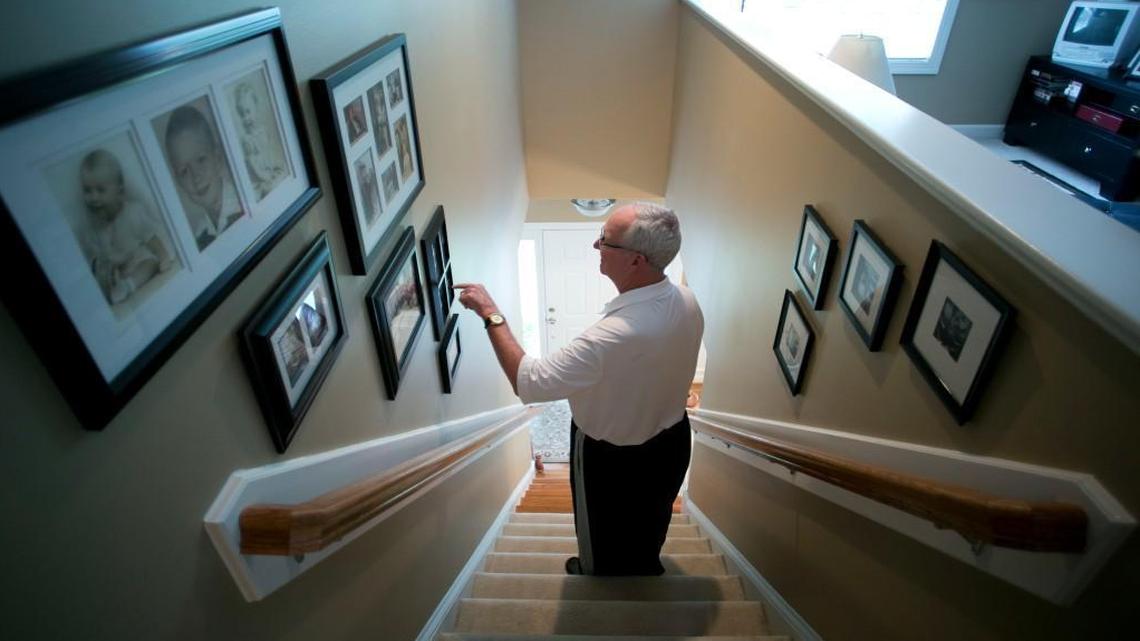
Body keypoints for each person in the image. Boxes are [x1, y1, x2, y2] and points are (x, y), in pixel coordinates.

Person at [455, 202, 703, 576]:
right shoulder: (686, 299)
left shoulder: (612, 336)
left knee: (601, 536)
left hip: (610, 457)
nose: (595, 246)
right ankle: (644, 565)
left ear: (636, 260)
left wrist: (492, 314)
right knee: (653, 518)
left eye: (605, 240)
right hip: (671, 441)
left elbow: (530, 382)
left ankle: (600, 573)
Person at [78, 149, 174, 306]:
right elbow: (98, 255)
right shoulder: (96, 228)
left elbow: (152, 238)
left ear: (119, 189)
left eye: (101, 190)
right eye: (87, 191)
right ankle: (119, 287)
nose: (94, 198)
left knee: (149, 263)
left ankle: (129, 286)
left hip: (140, 258)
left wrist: (163, 257)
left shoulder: (132, 213)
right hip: (120, 270)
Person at [163, 104, 244, 251]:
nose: (195, 176)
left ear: (218, 158)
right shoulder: (200, 238)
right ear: (178, 182)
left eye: (200, 160)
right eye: (184, 171)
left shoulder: (247, 203)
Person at [232, 81, 287, 200]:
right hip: (259, 179)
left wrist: (276, 170)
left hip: (270, 172)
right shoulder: (247, 140)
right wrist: (267, 177)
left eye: (248, 111)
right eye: (242, 114)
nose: (246, 118)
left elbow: (271, 155)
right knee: (269, 189)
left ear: (256, 107)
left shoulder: (263, 131)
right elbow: (254, 166)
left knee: (284, 174)